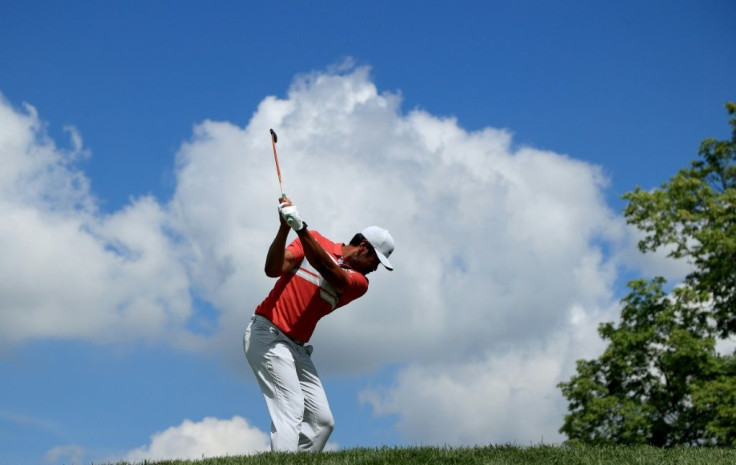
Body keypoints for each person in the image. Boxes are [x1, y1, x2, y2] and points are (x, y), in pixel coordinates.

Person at [243, 196, 395, 452]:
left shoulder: (360, 283)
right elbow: (273, 269)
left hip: (297, 348)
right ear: (364, 248)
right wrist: (284, 227)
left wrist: (300, 228)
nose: (375, 269)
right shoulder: (314, 240)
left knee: (321, 423)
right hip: (267, 334)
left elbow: (327, 268)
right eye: (376, 261)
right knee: (291, 407)